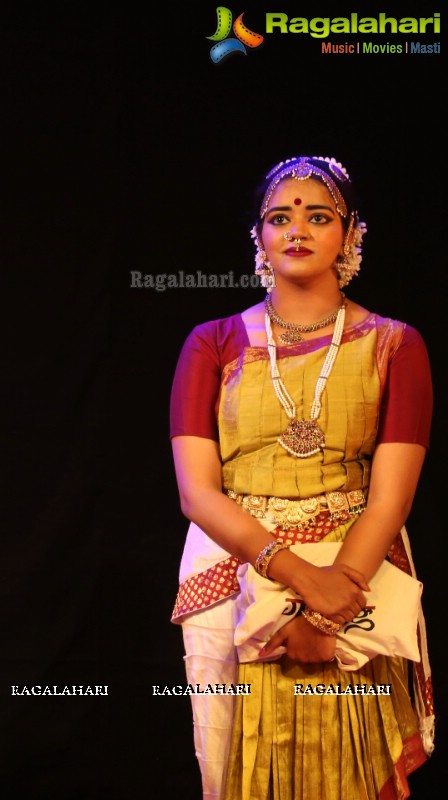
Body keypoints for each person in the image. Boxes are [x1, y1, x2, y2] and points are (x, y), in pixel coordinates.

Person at [170, 156, 433, 798]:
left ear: (351, 235)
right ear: (258, 237)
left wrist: (327, 607)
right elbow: (196, 492)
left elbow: (391, 499)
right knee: (229, 767)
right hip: (229, 571)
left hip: (357, 573)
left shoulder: (397, 345)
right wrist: (297, 580)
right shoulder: (213, 343)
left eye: (319, 217)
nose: (297, 230)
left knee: (346, 764)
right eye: (279, 218)